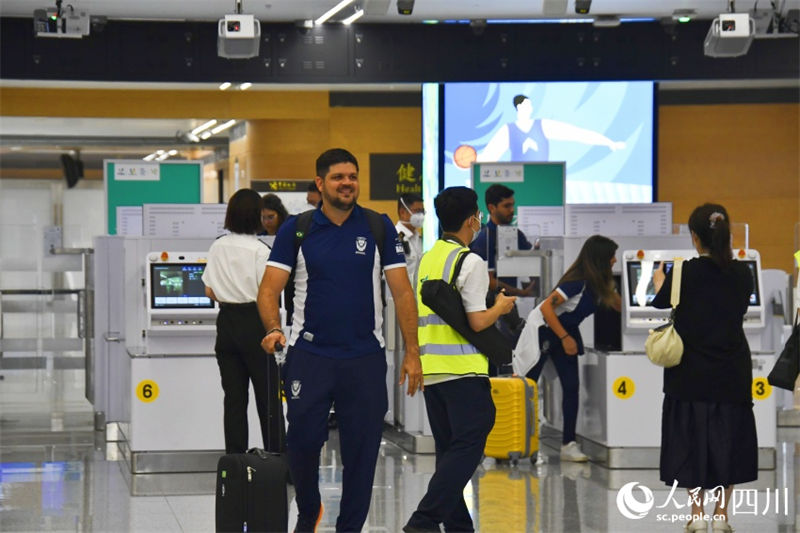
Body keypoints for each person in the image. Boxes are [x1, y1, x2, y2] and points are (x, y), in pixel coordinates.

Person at [257, 148, 422, 533]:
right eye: (338, 177)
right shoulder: (297, 229)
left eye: (352, 176)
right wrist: (273, 328)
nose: (347, 183)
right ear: (320, 183)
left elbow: (402, 293)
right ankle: (309, 509)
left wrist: (412, 352)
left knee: (362, 453)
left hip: (364, 358)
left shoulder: (378, 227)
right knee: (301, 441)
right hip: (309, 355)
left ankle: (350, 527)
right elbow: (268, 290)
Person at [404, 186, 516, 533]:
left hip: (433, 370)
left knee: (449, 451)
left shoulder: (429, 258)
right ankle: (422, 522)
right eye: (478, 214)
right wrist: (501, 307)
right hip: (464, 370)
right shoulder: (470, 261)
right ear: (472, 220)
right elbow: (477, 321)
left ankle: (458, 527)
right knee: (468, 445)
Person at [652, 204, 756, 533]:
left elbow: (663, 302)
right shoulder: (743, 273)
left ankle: (697, 514)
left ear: (695, 237)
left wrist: (660, 282)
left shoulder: (683, 272)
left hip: (689, 374)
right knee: (728, 443)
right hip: (732, 371)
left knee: (690, 443)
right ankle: (721, 515)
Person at [201, 188, 284, 454]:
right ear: (256, 215)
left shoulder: (217, 246)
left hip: (227, 323)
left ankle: (235, 464)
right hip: (256, 323)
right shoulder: (261, 251)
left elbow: (209, 290)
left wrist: (230, 293)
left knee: (234, 400)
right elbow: (268, 294)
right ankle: (277, 461)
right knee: (268, 400)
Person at [525, 235, 621, 462]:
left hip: (565, 332)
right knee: (527, 387)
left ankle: (568, 444)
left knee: (571, 387)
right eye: (612, 256)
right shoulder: (576, 283)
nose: (615, 260)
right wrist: (565, 338)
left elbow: (619, 306)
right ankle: (518, 440)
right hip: (544, 332)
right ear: (600, 259)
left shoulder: (599, 285)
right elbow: (546, 308)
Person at [476, 94, 626, 162]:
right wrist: (469, 162)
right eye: (527, 105)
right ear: (519, 107)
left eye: (531, 105)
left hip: (544, 180)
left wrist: (608, 142)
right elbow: (489, 157)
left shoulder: (542, 125)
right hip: (518, 184)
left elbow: (576, 134)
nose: (530, 108)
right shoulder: (508, 130)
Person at [470, 184, 536, 297]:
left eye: (512, 205)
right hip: (491, 303)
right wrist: (520, 292)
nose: (512, 210)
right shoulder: (485, 238)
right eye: (506, 206)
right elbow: (488, 280)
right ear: (492, 208)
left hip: (510, 302)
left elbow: (532, 260)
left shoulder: (517, 235)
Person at [395, 192, 424, 287]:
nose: (421, 215)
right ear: (402, 212)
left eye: (422, 211)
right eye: (417, 211)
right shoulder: (393, 238)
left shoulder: (420, 239)